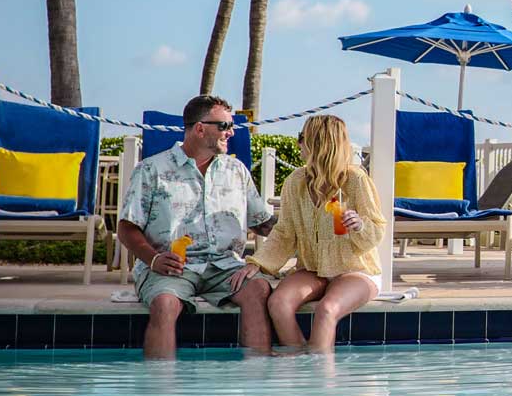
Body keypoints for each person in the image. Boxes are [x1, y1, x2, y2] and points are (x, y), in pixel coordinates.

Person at [118, 94, 277, 358]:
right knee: (165, 305)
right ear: (200, 128)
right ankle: (160, 389)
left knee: (258, 290)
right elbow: (127, 227)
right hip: (171, 267)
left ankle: (256, 377)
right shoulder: (151, 169)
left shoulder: (236, 171)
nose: (231, 132)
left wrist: (308, 228)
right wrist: (154, 259)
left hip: (227, 267)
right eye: (224, 126)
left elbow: (262, 223)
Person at [232, 114, 385, 350]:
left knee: (326, 310)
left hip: (356, 269)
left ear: (319, 144)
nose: (298, 144)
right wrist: (258, 263)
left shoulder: (355, 180)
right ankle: (301, 370)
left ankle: (318, 379)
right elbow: (285, 232)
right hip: (313, 268)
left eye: (302, 138)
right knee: (279, 303)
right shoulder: (295, 182)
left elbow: (376, 230)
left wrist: (359, 225)